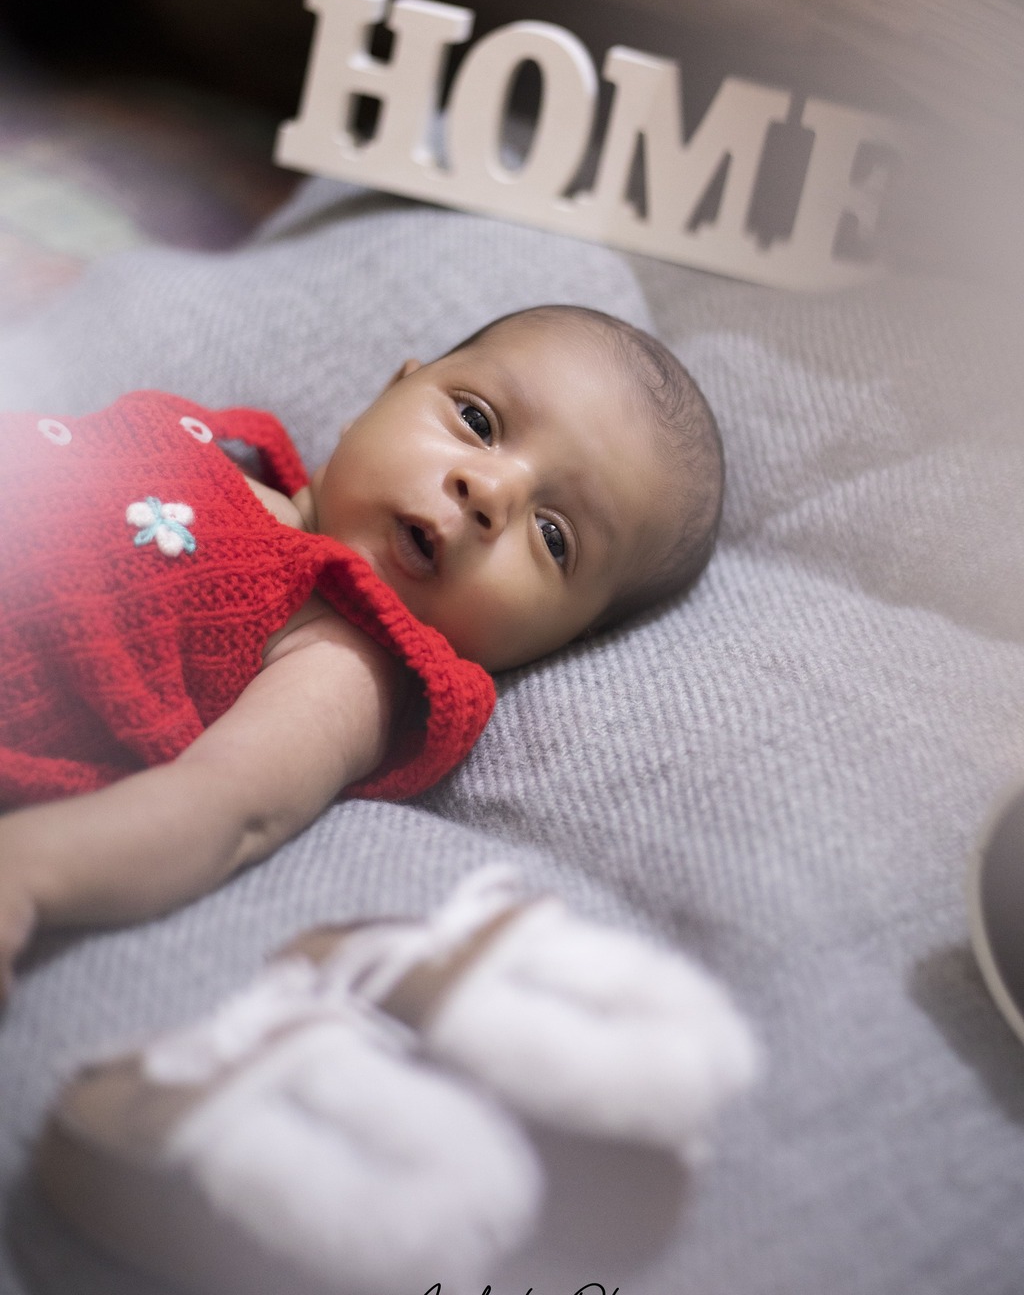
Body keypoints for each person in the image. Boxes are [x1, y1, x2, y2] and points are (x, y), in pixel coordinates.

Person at [0, 303, 724, 999]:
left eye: (554, 536)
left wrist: (27, 875)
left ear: (561, 640)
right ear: (385, 394)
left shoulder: (343, 663)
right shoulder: (233, 460)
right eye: (477, 422)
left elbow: (220, 809)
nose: (489, 491)